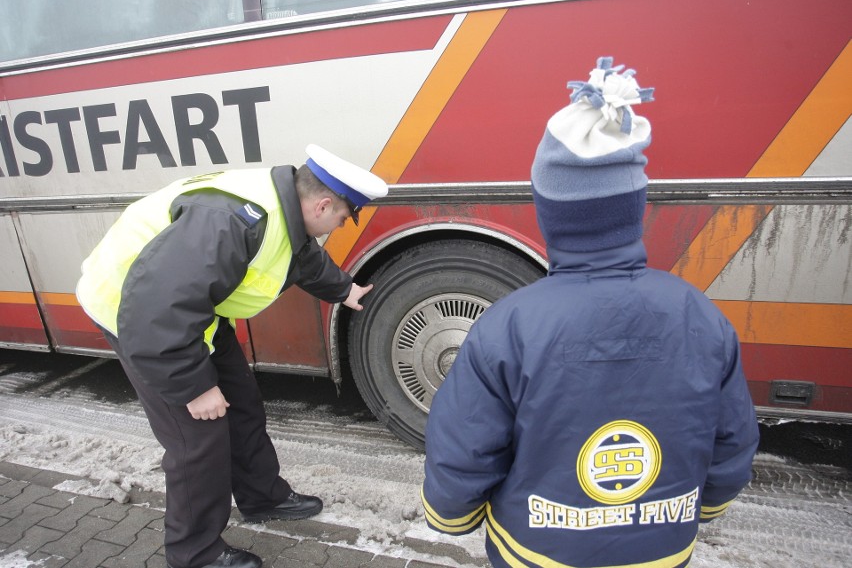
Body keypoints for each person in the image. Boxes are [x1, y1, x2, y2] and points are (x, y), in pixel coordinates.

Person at [421, 57, 760, 568]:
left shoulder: (509, 325)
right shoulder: (698, 314)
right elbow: (732, 438)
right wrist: (705, 506)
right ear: (636, 207)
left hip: (535, 551)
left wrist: (454, 518)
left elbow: (464, 448)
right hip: (664, 550)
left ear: (548, 213)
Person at [76, 144, 388, 568]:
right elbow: (157, 308)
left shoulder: (282, 208)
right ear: (324, 203)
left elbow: (299, 253)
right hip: (139, 317)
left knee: (241, 402)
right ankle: (194, 553)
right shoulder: (228, 222)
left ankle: (262, 498)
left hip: (192, 313)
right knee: (196, 439)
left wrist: (344, 290)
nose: (340, 224)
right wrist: (195, 386)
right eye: (344, 216)